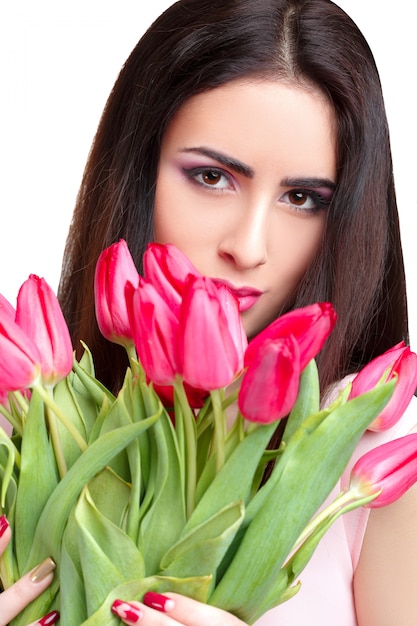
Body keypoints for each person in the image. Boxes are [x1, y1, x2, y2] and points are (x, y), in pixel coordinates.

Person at [2, 0, 417, 624]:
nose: (248, 247)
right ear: (136, 174)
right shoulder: (25, 433)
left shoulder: (373, 446)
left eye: (302, 197)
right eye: (212, 178)